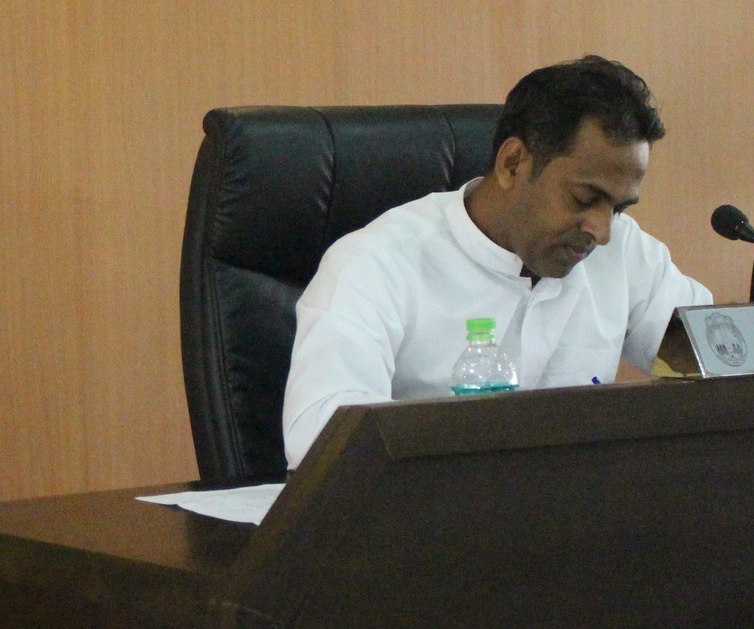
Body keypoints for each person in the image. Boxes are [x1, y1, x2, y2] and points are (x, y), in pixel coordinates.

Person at [282, 56, 712, 468]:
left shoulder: (622, 251)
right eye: (585, 199)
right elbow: (322, 440)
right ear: (512, 163)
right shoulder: (376, 264)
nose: (602, 231)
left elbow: (723, 363)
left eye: (618, 209)